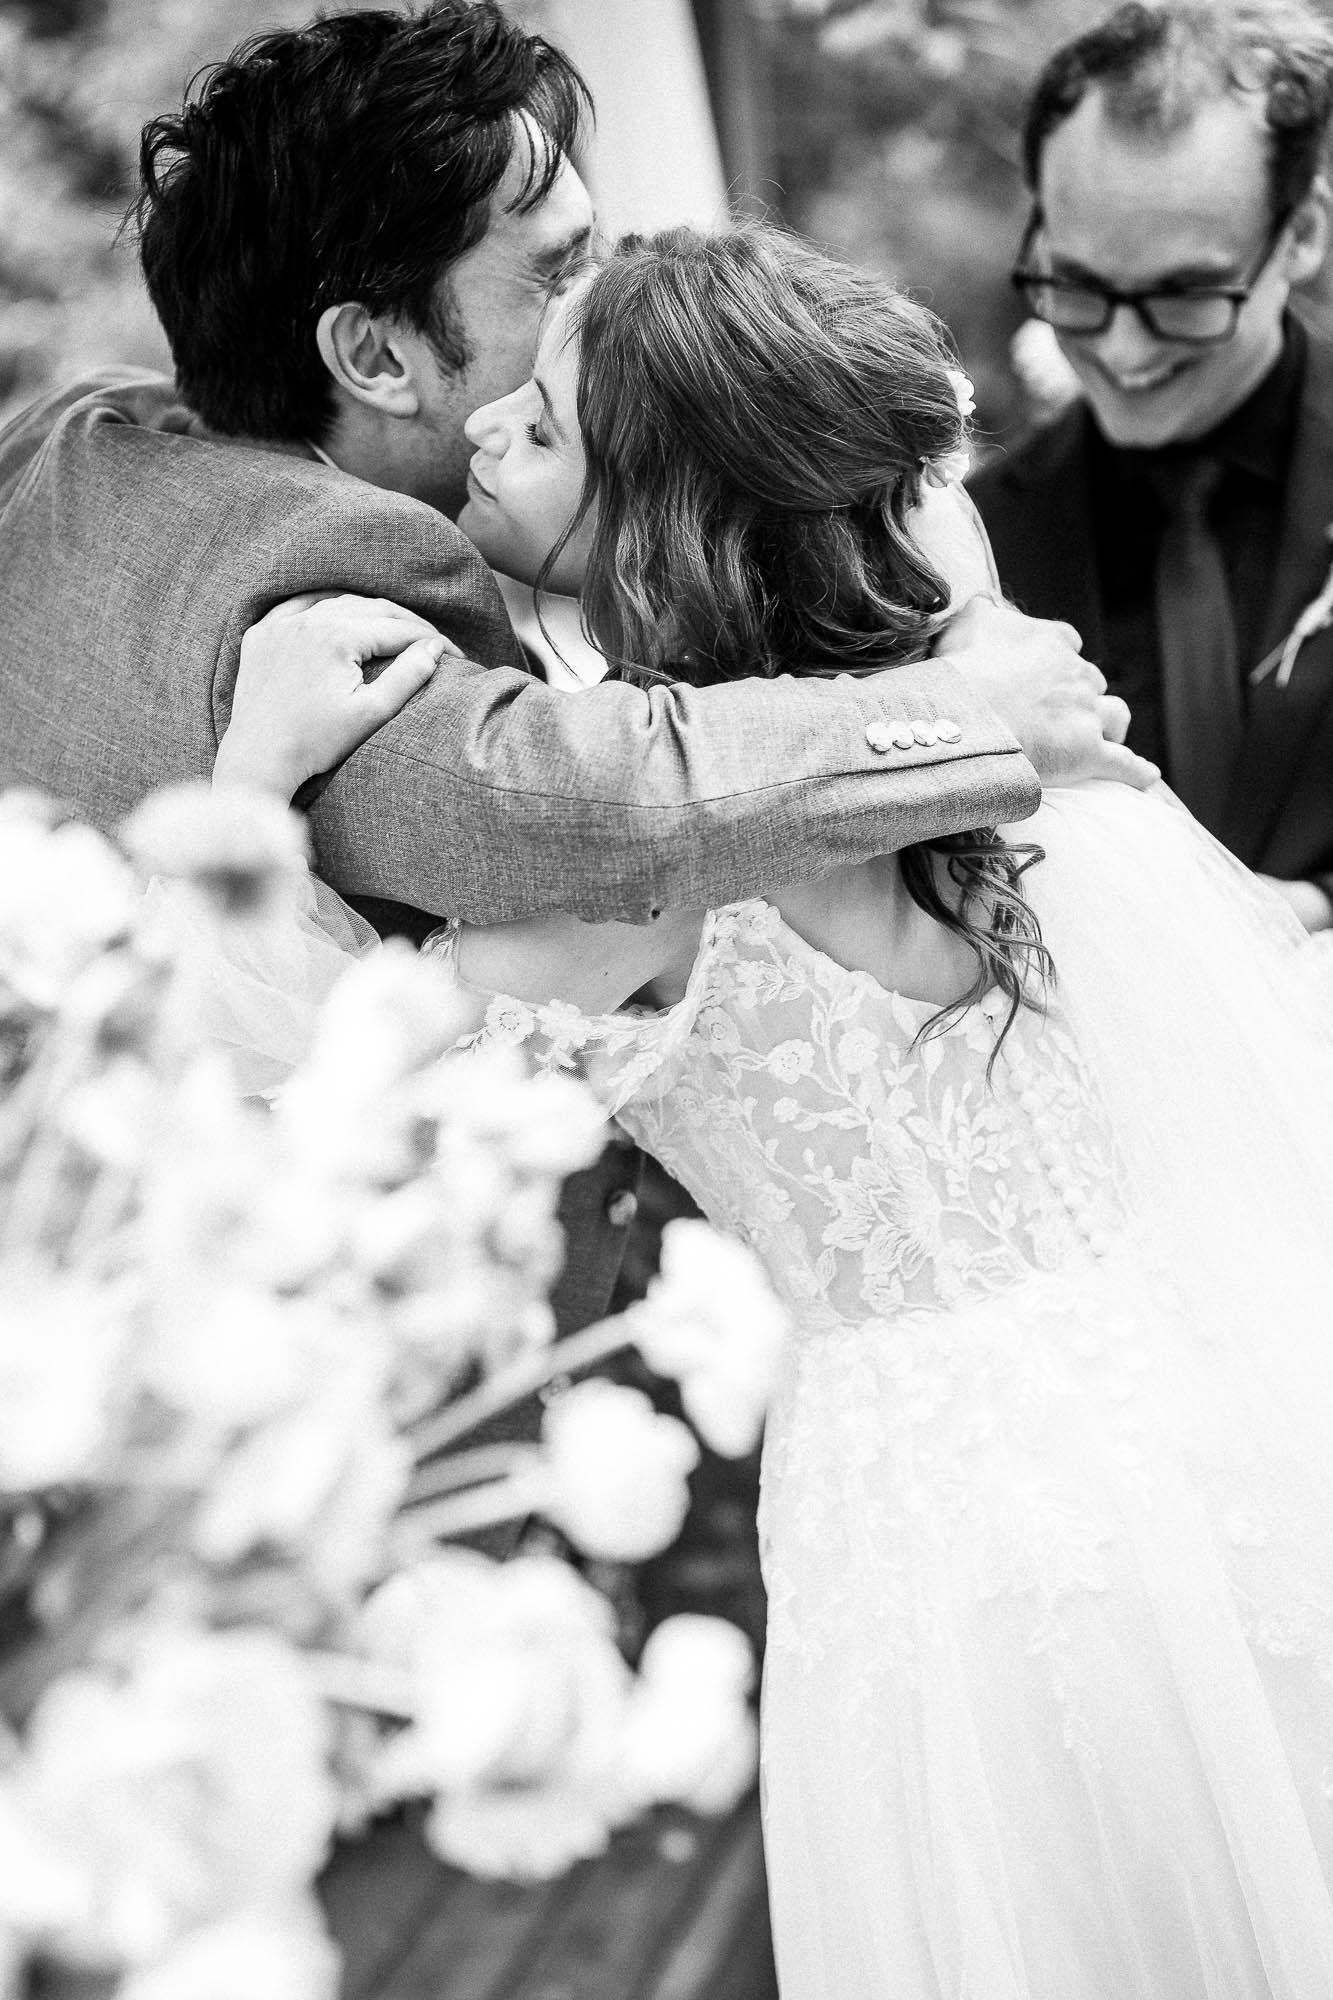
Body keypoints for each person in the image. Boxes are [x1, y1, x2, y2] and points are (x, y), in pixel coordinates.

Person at [216, 225, 1333, 1999]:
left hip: (943, 1534)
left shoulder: (652, 876)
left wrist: (249, 787)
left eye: (549, 425)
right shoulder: (1005, 732)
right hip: (1212, 1454)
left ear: (658, 521)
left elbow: (326, 1073)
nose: (492, 427)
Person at [0, 0, 1147, 1339]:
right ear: (372, 354)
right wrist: (960, 714)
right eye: (554, 275)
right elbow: (599, 802)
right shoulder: (354, 597)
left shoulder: (71, 447)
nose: (591, 314)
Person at [969, 0, 1333, 934]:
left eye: (1184, 296)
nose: (1124, 353)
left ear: (1300, 235)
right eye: (1078, 287)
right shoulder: (977, 545)